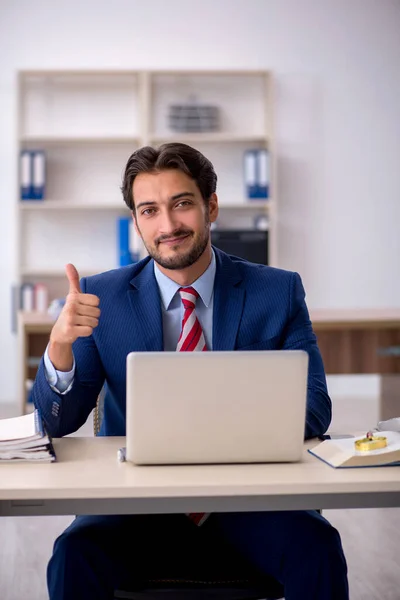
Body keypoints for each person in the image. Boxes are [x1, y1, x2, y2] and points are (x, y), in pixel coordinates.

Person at [31, 143, 349, 600]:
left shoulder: (276, 291)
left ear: (210, 206)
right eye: (149, 210)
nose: (168, 225)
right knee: (72, 555)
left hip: (251, 503)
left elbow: (314, 409)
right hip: (135, 510)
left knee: (317, 546)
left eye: (182, 204)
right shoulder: (103, 298)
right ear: (136, 222)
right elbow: (53, 424)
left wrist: (211, 438)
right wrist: (59, 346)